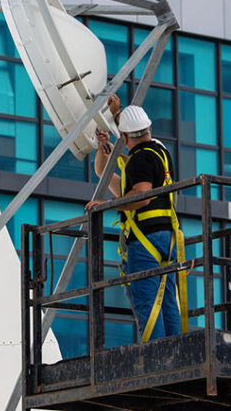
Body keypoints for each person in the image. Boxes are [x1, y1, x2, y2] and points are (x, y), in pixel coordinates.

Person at [85, 95, 185, 342]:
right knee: (168, 301)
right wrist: (107, 144)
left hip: (145, 241)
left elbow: (140, 196)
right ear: (148, 129)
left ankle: (155, 363)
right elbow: (106, 176)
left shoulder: (140, 159)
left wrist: (108, 205)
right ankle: (176, 356)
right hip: (168, 239)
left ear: (126, 138)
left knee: (148, 305)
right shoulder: (159, 152)